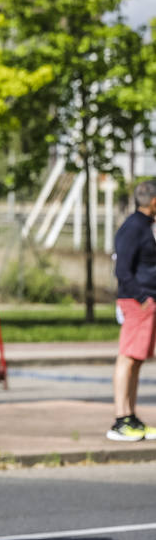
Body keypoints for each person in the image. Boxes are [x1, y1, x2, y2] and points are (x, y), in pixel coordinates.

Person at [109, 177, 156, 441]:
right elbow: (122, 269)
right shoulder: (133, 227)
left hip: (146, 302)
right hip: (137, 302)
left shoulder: (147, 226)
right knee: (127, 357)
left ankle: (131, 416)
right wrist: (142, 299)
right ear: (153, 200)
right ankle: (120, 419)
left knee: (136, 361)